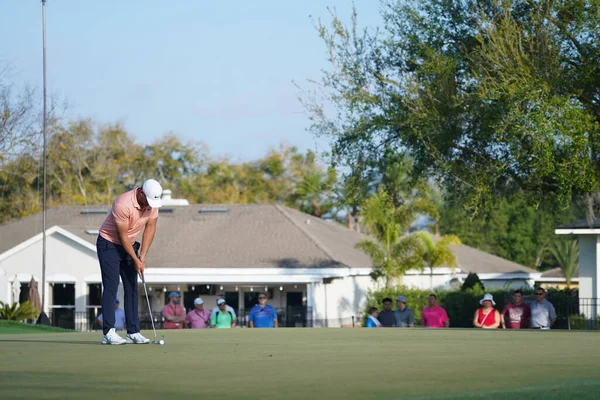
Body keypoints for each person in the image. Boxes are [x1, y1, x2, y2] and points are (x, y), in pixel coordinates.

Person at [97, 179, 163, 345]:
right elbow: (122, 236)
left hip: (130, 244)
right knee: (111, 287)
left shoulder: (151, 204)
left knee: (132, 287)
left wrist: (143, 255)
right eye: (147, 200)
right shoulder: (123, 203)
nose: (149, 204)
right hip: (109, 244)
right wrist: (135, 259)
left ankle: (133, 332)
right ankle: (108, 333)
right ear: (140, 192)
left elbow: (150, 227)